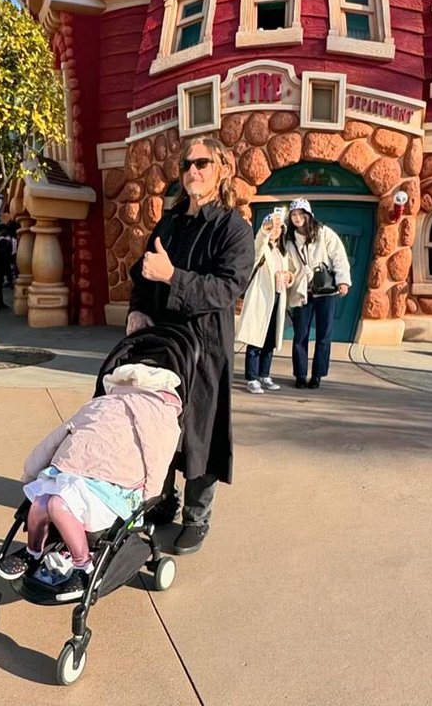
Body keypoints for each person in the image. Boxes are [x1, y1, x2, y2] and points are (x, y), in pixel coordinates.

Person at [126, 135, 254, 555]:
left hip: (205, 348)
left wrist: (172, 278)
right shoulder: (171, 222)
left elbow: (226, 288)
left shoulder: (234, 230)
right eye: (186, 164)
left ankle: (197, 516)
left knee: (201, 432)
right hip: (163, 343)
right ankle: (163, 498)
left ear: (221, 169)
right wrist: (138, 308)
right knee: (158, 425)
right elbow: (144, 270)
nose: (192, 171)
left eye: (201, 163)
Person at [0, 362, 182, 601]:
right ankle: (33, 552)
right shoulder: (147, 415)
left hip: (110, 489)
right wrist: (153, 492)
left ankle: (84, 564)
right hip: (74, 476)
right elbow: (158, 456)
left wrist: (31, 470)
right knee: (41, 503)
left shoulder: (112, 407)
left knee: (54, 505)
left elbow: (57, 435)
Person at [284, 198, 351, 390]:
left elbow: (339, 256)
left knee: (323, 335)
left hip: (326, 291)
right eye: (294, 215)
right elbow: (288, 265)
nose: (297, 218)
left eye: (300, 214)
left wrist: (343, 280)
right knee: (300, 335)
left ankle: (318, 375)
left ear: (308, 215)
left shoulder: (323, 233)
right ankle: (300, 374)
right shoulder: (289, 240)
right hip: (302, 291)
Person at [235, 208, 292, 393]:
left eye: (279, 227)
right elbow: (258, 245)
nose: (276, 230)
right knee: (255, 339)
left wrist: (288, 276)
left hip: (277, 298)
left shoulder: (282, 251)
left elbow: (291, 271)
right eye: (273, 227)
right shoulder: (260, 248)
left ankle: (264, 375)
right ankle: (252, 377)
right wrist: (265, 230)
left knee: (269, 340)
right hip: (261, 298)